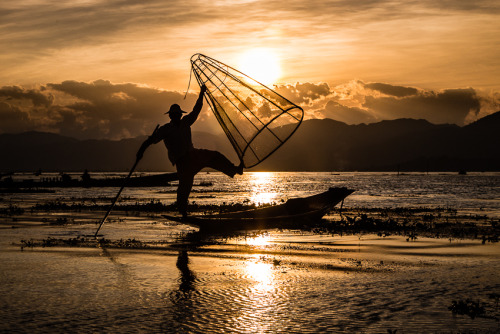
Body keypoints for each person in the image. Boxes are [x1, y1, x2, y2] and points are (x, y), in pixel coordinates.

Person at [137, 84, 243, 217]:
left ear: (180, 115)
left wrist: (201, 93)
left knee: (215, 156)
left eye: (177, 115)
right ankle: (183, 212)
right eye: (174, 115)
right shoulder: (165, 129)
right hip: (182, 161)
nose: (176, 117)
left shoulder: (186, 122)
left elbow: (196, 110)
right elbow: (150, 140)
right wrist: (140, 151)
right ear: (171, 116)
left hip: (193, 155)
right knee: (184, 188)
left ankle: (235, 169)